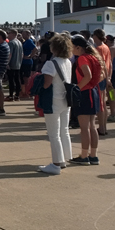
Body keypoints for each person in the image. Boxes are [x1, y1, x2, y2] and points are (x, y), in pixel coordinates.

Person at [36, 33, 74, 175]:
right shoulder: (68, 62)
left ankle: (56, 164)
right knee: (64, 130)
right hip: (65, 99)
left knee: (53, 134)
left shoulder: (51, 63)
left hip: (53, 100)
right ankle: (63, 159)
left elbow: (46, 84)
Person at [72, 35, 106, 165]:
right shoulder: (94, 57)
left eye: (72, 47)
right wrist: (92, 84)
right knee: (92, 126)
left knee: (85, 127)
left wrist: (78, 88)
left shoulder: (82, 58)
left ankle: (84, 155)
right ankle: (93, 155)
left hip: (85, 93)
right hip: (93, 91)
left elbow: (88, 75)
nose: (71, 50)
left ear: (78, 47)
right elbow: (101, 75)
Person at [90, 29, 113, 138]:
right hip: (105, 77)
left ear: (96, 36)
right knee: (103, 103)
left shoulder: (98, 48)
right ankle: (104, 127)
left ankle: (102, 128)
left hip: (99, 78)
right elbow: (110, 64)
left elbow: (101, 63)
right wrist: (109, 77)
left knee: (100, 104)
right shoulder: (106, 47)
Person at [6, 29, 24, 101]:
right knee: (17, 80)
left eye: (9, 33)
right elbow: (22, 54)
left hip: (12, 64)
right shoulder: (19, 42)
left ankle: (11, 95)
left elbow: (9, 54)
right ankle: (17, 95)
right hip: (18, 64)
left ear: (13, 34)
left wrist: (7, 63)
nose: (8, 35)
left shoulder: (11, 43)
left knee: (11, 80)